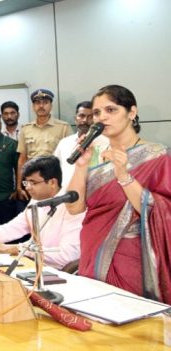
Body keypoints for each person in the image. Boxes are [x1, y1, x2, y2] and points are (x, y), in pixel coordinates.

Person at [66, 85, 171, 302]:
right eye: (97, 113)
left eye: (111, 110)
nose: (102, 117)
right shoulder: (94, 154)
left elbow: (162, 210)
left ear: (132, 112)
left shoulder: (157, 156)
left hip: (131, 257)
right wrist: (81, 166)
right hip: (92, 249)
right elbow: (74, 207)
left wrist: (123, 175)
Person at [0, 156, 84, 269]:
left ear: (52, 182)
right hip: (33, 264)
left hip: (57, 272)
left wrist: (19, 249)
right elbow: (10, 229)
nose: (28, 188)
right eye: (26, 182)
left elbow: (67, 256)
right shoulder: (36, 201)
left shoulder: (72, 208)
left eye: (33, 182)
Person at [16, 89, 70, 201]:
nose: (41, 106)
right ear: (33, 106)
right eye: (37, 103)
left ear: (51, 105)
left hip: (55, 180)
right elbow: (22, 159)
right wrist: (19, 186)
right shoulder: (26, 129)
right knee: (35, 208)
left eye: (45, 102)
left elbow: (70, 156)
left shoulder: (63, 127)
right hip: (33, 181)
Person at [53, 100, 109, 190]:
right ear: (75, 119)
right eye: (81, 116)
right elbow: (55, 169)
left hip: (96, 192)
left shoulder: (106, 143)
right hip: (67, 192)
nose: (85, 120)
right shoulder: (64, 143)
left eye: (90, 117)